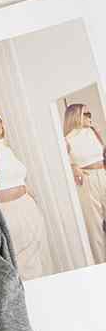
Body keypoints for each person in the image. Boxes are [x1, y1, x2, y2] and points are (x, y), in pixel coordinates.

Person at [0, 105, 48, 280]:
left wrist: (29, 195)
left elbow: (16, 179)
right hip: (10, 213)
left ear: (1, 122)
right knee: (24, 268)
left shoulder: (5, 147)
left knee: (36, 261)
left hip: (27, 206)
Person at [64, 102, 106, 264]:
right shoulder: (66, 140)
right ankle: (101, 264)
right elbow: (63, 163)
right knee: (95, 226)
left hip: (103, 173)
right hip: (87, 180)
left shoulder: (94, 132)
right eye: (85, 114)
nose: (89, 117)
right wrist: (73, 167)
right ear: (75, 116)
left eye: (89, 114)